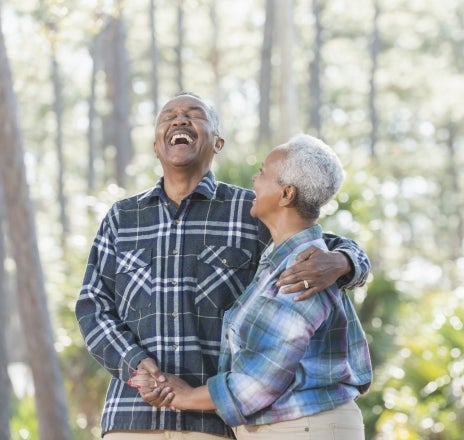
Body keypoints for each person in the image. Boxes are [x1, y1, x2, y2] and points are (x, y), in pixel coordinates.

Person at [75, 93, 370, 440]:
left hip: (214, 422)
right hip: (132, 416)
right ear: (156, 145)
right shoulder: (122, 218)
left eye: (193, 114)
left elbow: (314, 242)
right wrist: (138, 366)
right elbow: (93, 306)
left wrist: (344, 261)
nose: (179, 119)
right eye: (168, 116)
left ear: (218, 142)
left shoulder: (252, 210)